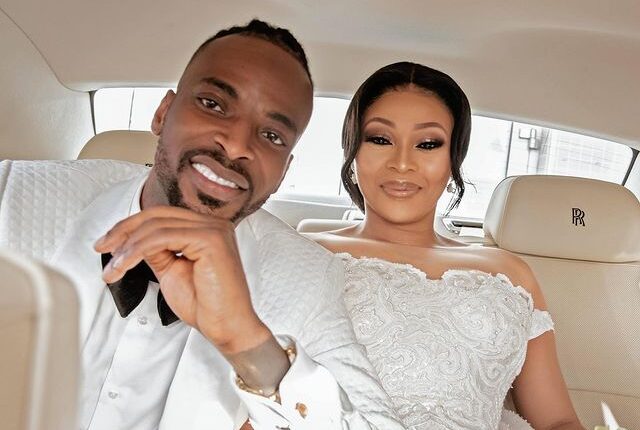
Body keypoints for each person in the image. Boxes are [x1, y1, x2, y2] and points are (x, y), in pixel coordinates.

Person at [33, 20, 404, 430]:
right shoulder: (14, 194)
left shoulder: (308, 278)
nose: (237, 144)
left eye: (272, 135)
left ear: (283, 173)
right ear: (162, 114)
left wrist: (249, 345)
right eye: (213, 104)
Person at [306, 62, 585, 429]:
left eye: (427, 144)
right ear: (352, 153)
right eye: (380, 139)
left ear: (453, 161)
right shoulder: (304, 255)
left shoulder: (511, 274)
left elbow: (557, 422)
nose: (402, 163)